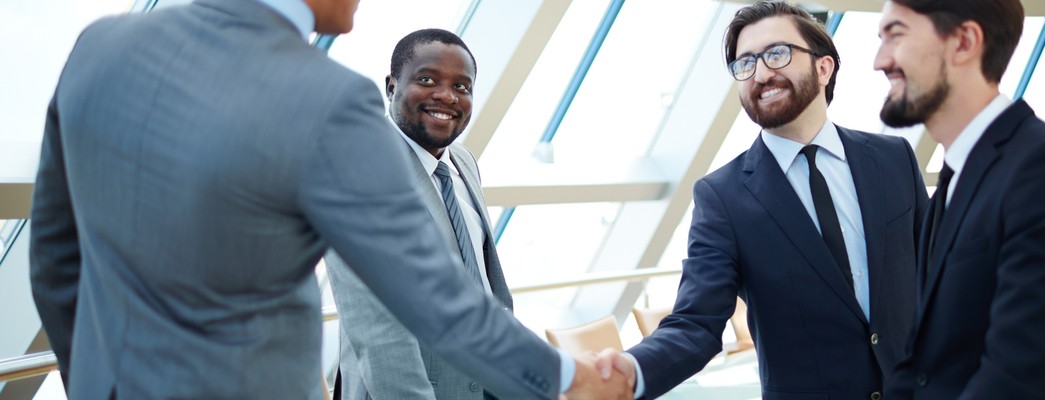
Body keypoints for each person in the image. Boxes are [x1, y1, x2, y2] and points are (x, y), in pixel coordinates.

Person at [26, 0, 630, 398]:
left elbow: (54, 259)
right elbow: (434, 303)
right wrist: (569, 379)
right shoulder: (327, 98)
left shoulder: (101, 44)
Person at [593, 2, 928, 399]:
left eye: (777, 54)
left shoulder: (893, 159)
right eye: (745, 63)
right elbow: (696, 324)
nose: (761, 73)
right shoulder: (722, 197)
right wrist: (630, 371)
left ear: (824, 68)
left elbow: (939, 275)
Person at [872, 0, 1045, 398]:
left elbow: (1021, 379)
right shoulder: (951, 185)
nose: (879, 61)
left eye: (896, 35)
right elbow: (923, 365)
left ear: (964, 42)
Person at [325, 28, 515, 400]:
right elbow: (381, 337)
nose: (447, 95)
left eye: (462, 87)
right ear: (391, 86)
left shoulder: (462, 162)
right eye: (427, 80)